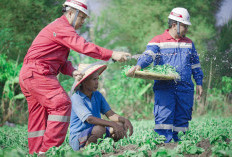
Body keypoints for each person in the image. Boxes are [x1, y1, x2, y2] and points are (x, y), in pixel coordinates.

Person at [19, 0, 131, 155]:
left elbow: (58, 61)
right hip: (39, 73)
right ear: (71, 13)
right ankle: (49, 152)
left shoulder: (59, 29)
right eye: (82, 17)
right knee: (62, 103)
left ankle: (36, 152)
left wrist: (71, 71)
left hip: (29, 75)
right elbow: (84, 47)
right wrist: (112, 54)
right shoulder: (62, 27)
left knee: (39, 116)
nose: (83, 22)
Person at [127, 7, 203, 143]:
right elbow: (148, 55)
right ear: (175, 25)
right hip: (164, 88)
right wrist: (139, 65)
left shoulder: (189, 43)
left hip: (185, 89)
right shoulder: (158, 40)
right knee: (164, 119)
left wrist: (199, 82)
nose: (186, 29)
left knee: (182, 119)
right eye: (184, 26)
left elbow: (195, 64)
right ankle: (163, 147)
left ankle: (182, 148)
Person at [69, 64, 133, 151]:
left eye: (97, 79)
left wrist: (125, 120)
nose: (97, 82)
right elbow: (90, 119)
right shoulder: (76, 98)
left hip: (95, 132)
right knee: (100, 129)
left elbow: (110, 114)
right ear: (84, 81)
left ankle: (104, 147)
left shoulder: (97, 95)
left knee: (120, 125)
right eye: (94, 79)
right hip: (78, 138)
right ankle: (86, 151)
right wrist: (112, 124)